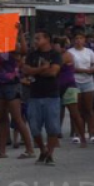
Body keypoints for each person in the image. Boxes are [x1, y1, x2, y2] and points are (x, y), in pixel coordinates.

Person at [22, 31, 63, 165]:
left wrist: (36, 71)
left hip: (51, 95)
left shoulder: (55, 55)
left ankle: (50, 154)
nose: (35, 41)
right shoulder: (32, 55)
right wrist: (42, 69)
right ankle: (42, 150)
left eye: (38, 38)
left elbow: (53, 72)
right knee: (34, 127)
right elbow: (25, 70)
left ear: (47, 39)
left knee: (52, 127)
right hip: (34, 95)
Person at [0, 47, 34, 159]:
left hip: (12, 85)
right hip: (0, 85)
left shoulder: (12, 47)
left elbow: (23, 51)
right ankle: (2, 150)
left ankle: (29, 149)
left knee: (17, 118)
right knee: (2, 119)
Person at [68, 32, 94, 147]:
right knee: (77, 110)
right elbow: (70, 68)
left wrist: (93, 69)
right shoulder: (70, 52)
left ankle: (92, 133)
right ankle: (77, 133)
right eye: (76, 38)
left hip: (88, 82)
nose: (78, 40)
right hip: (75, 81)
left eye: (81, 38)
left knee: (89, 109)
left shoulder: (89, 52)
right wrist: (84, 70)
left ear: (84, 40)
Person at [54, 36, 82, 146]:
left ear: (62, 47)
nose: (53, 47)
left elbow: (55, 67)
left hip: (69, 86)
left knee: (74, 113)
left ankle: (81, 136)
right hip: (58, 86)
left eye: (56, 46)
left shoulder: (66, 55)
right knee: (56, 113)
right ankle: (56, 136)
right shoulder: (57, 55)